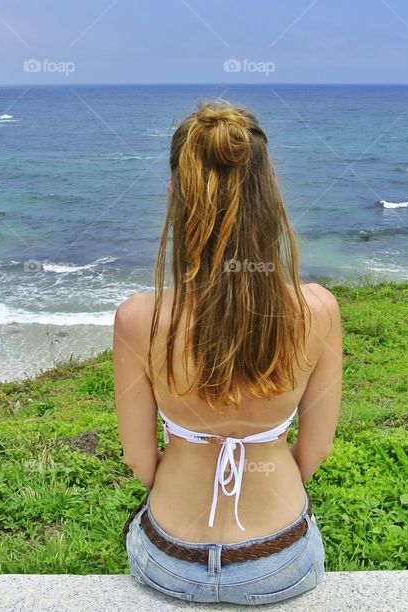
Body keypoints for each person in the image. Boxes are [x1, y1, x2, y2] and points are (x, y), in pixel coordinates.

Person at [113, 99, 342, 605]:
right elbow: (316, 450)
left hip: (168, 558)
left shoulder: (138, 318)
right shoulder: (317, 310)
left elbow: (137, 458)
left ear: (175, 195)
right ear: (269, 197)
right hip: (280, 560)